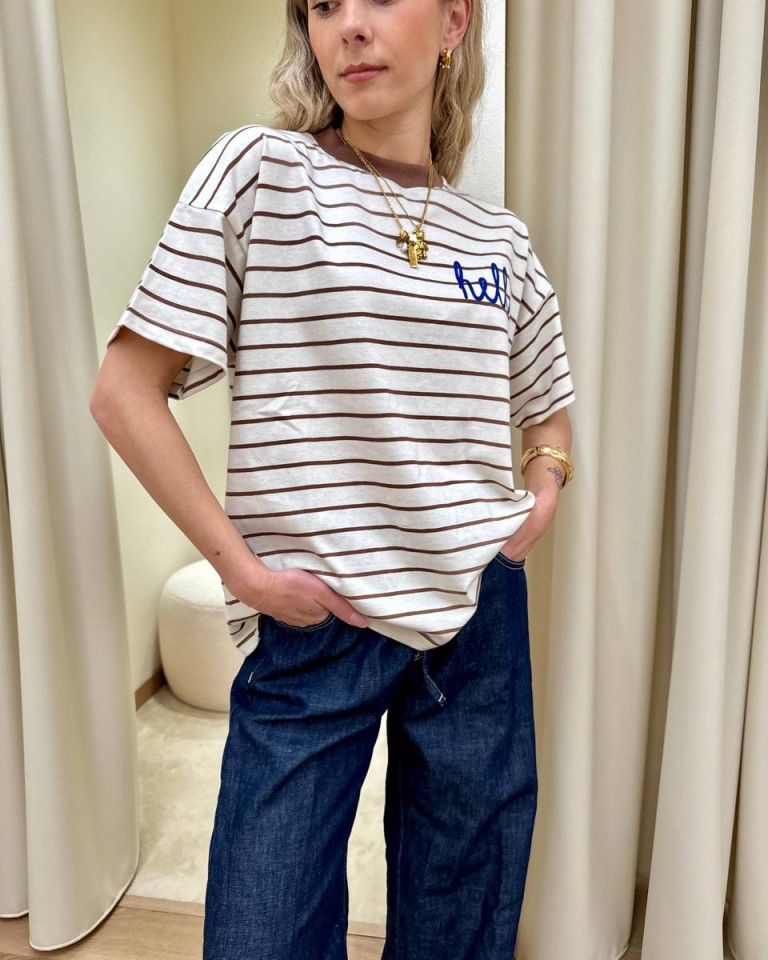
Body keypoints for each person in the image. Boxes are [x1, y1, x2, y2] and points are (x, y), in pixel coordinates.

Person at [90, 0, 576, 956]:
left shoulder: (499, 240)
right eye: (321, 4)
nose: (347, 25)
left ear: (453, 22)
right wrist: (242, 571)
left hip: (475, 622)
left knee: (461, 920)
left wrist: (544, 484)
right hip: (316, 621)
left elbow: (546, 400)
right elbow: (123, 392)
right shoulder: (263, 174)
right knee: (261, 931)